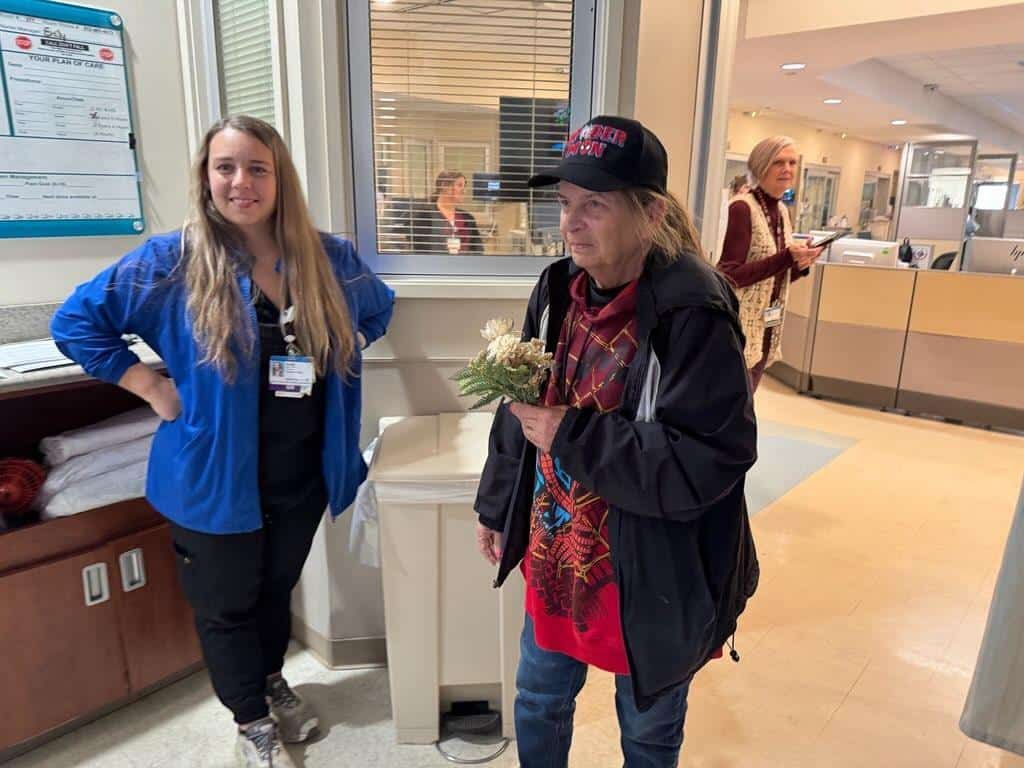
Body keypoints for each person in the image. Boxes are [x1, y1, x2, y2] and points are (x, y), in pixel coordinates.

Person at [51, 115, 394, 768]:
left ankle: (269, 681)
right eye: (225, 167)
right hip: (213, 477)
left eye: (256, 167)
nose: (241, 182)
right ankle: (251, 720)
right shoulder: (172, 261)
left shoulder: (329, 258)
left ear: (279, 177)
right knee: (227, 604)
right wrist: (151, 388)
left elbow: (378, 308)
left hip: (303, 474)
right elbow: (77, 321)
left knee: (273, 590)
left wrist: (338, 352)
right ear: (206, 178)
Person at [472, 115, 759, 768]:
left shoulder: (693, 312)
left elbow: (712, 459)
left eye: (594, 206)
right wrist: (496, 502)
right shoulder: (555, 292)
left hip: (652, 569)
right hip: (557, 554)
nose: (571, 224)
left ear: (651, 212)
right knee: (540, 698)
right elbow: (519, 406)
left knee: (649, 730)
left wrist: (573, 436)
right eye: (566, 204)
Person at [718, 136, 823, 391]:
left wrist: (801, 263)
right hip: (742, 324)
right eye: (778, 162)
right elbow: (729, 275)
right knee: (734, 401)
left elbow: (777, 274)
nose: (787, 169)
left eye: (792, 162)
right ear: (761, 165)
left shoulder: (782, 211)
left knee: (748, 400)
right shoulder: (743, 208)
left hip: (768, 322)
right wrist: (787, 257)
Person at [412, 170, 484, 254]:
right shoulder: (425, 215)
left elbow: (477, 250)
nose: (464, 191)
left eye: (464, 186)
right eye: (460, 185)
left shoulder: (467, 218)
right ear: (444, 186)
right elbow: (421, 250)